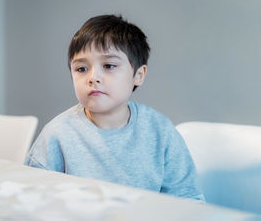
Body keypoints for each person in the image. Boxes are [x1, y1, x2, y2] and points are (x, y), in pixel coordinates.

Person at [25, 15, 204, 201]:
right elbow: (31, 198)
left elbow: (188, 200)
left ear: (138, 75)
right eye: (81, 69)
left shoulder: (160, 131)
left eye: (109, 65)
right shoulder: (57, 134)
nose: (93, 77)